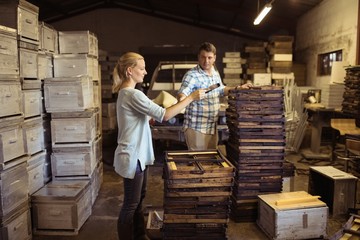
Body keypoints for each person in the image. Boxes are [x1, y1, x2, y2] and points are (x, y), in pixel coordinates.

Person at [112, 52, 205, 240]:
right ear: (130, 71)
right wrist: (190, 98)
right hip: (133, 156)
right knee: (131, 204)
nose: (145, 72)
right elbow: (165, 115)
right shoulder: (131, 93)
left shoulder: (129, 93)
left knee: (138, 201)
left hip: (139, 154)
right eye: (141, 68)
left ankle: (138, 235)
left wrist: (150, 118)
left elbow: (145, 118)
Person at [177, 42, 252, 150]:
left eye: (209, 57)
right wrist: (182, 98)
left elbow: (221, 90)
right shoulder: (192, 75)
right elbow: (182, 93)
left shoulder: (215, 73)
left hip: (212, 126)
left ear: (214, 58)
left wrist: (238, 88)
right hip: (197, 128)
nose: (206, 61)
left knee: (210, 161)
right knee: (199, 161)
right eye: (203, 57)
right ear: (198, 57)